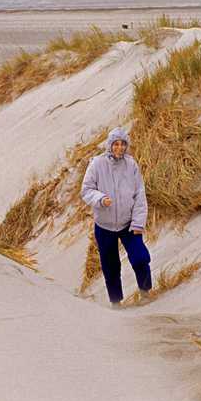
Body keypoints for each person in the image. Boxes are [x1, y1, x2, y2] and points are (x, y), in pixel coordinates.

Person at [81, 127, 152, 308]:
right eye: (116, 144)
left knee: (140, 257)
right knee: (110, 266)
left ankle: (145, 293)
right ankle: (116, 302)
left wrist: (138, 222)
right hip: (104, 226)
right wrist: (100, 199)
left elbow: (139, 195)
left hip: (128, 223)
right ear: (110, 145)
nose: (119, 148)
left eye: (123, 144)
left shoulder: (131, 165)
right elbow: (86, 190)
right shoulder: (97, 164)